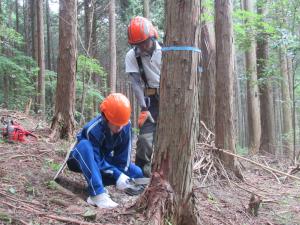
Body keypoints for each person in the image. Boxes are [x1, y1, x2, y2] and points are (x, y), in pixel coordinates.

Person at [66, 93, 144, 208]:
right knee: (85, 145)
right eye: (117, 124)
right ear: (106, 118)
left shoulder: (126, 126)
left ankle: (100, 183)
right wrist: (117, 175)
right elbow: (96, 160)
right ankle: (97, 194)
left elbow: (123, 161)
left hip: (103, 160)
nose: (120, 128)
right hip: (81, 159)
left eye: (122, 124)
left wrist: (123, 177)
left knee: (137, 173)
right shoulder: (92, 130)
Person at [125, 16, 161, 177]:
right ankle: (141, 177)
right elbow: (136, 83)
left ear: (152, 36)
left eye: (144, 43)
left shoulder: (167, 49)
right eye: (138, 44)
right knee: (145, 140)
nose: (142, 47)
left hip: (174, 99)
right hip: (151, 100)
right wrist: (144, 108)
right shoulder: (132, 56)